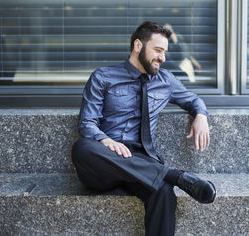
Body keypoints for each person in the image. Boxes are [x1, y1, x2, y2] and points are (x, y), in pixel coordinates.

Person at [72, 21, 216, 236]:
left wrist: (201, 115)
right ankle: (174, 175)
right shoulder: (103, 77)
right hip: (106, 161)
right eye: (158, 50)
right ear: (138, 46)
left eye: (165, 52)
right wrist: (106, 141)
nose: (163, 58)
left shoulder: (166, 80)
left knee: (164, 192)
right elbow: (87, 123)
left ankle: (166, 178)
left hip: (142, 161)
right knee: (82, 148)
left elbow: (193, 100)